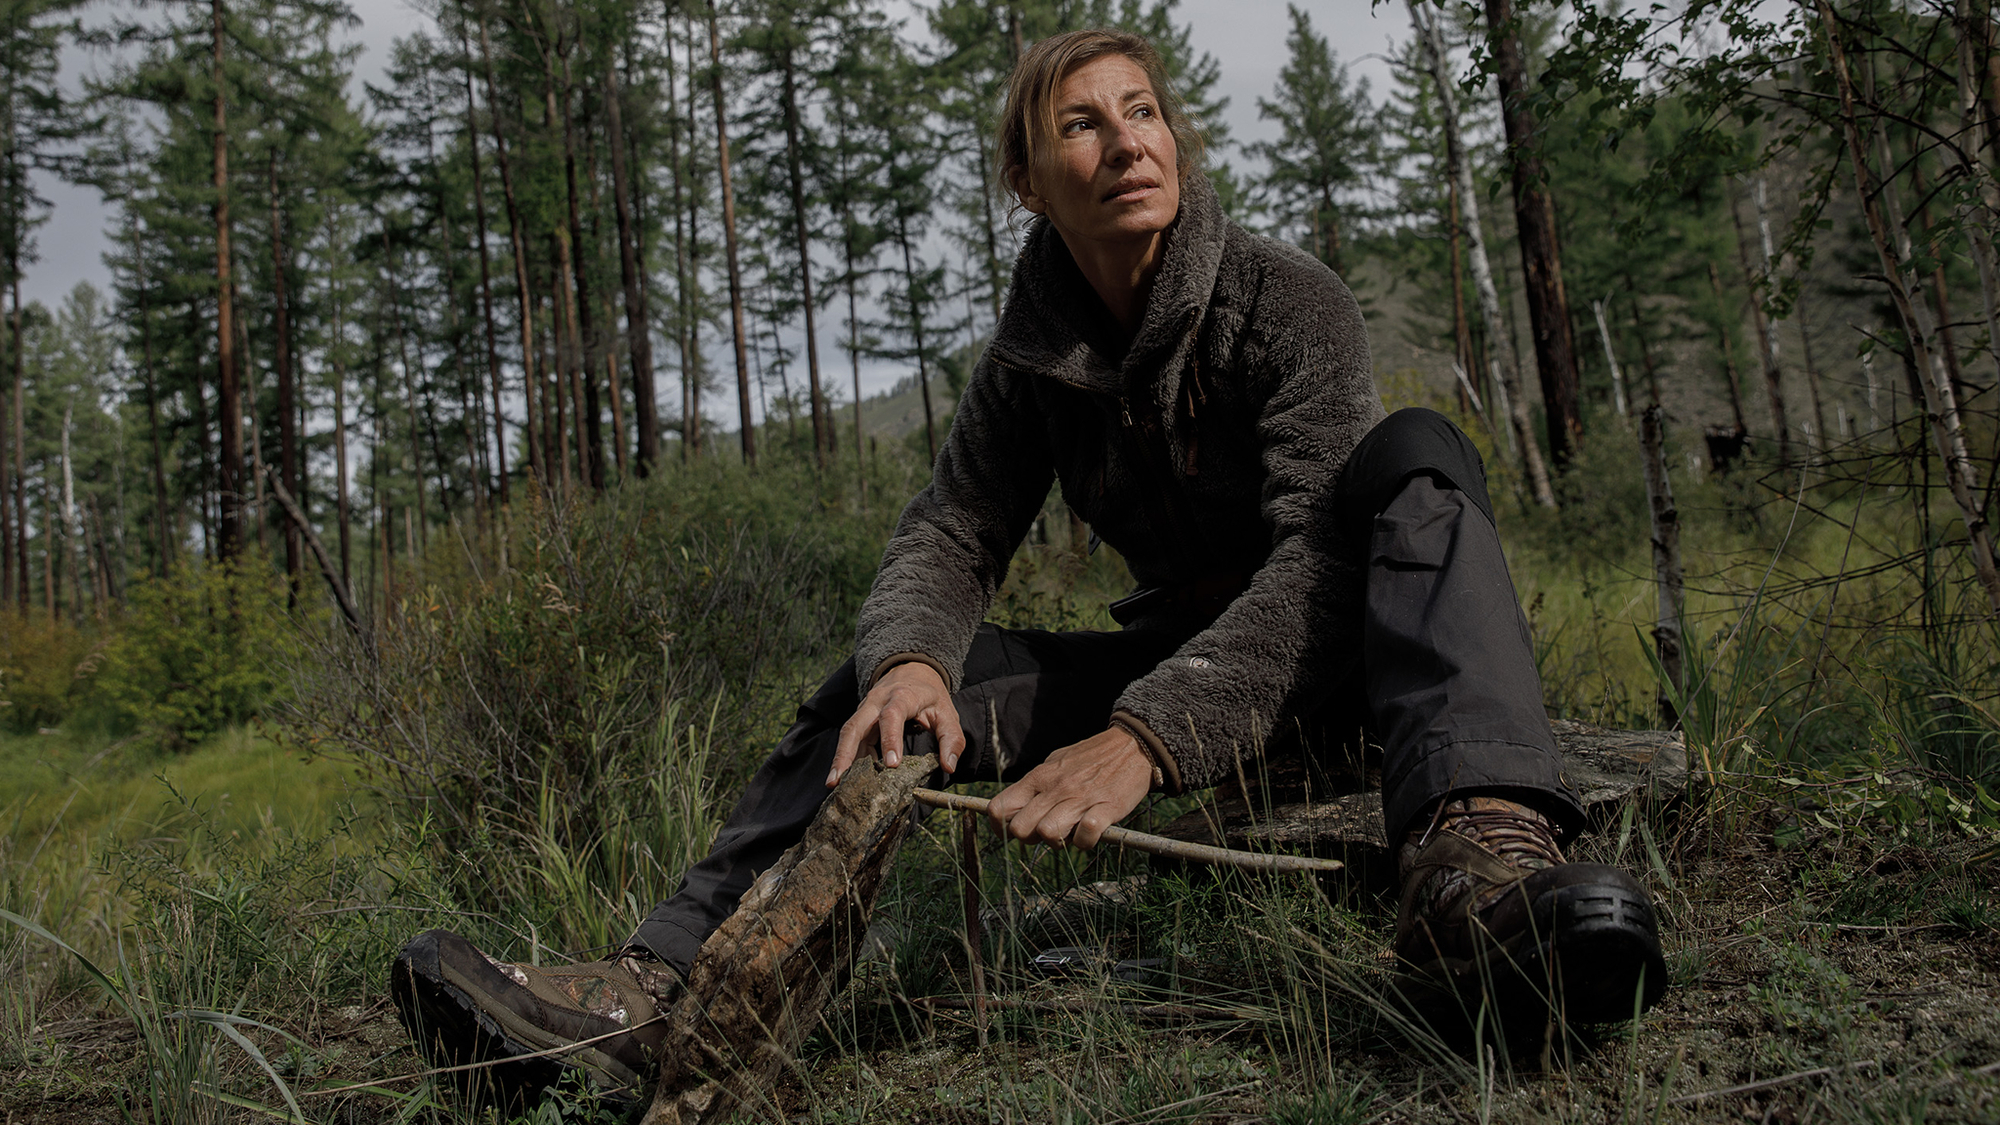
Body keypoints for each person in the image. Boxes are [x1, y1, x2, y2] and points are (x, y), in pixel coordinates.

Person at [390, 29, 1666, 1105]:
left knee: (1415, 457)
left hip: (1343, 668)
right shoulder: (1029, 359)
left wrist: (1144, 742)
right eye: (1081, 125)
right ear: (1025, 180)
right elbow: (952, 528)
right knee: (886, 694)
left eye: (1143, 112)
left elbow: (1322, 572)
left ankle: (1479, 883)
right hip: (1180, 663)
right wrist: (904, 661)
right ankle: (651, 999)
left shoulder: (1288, 302)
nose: (1126, 143)